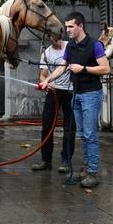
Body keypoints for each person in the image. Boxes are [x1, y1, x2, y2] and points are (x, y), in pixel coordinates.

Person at [38, 12, 109, 188]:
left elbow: (105, 69)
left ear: (80, 26)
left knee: (90, 134)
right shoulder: (70, 48)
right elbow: (62, 67)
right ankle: (85, 170)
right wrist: (47, 80)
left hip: (91, 94)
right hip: (76, 94)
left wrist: (83, 68)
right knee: (83, 135)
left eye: (70, 26)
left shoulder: (95, 45)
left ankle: (93, 172)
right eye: (67, 26)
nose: (67, 30)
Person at [32, 32, 75, 173]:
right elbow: (43, 75)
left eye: (58, 38)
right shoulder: (46, 53)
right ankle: (46, 160)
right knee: (47, 125)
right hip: (53, 92)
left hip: (70, 93)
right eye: (52, 38)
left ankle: (66, 161)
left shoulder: (70, 47)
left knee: (69, 128)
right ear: (48, 38)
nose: (56, 41)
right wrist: (46, 83)